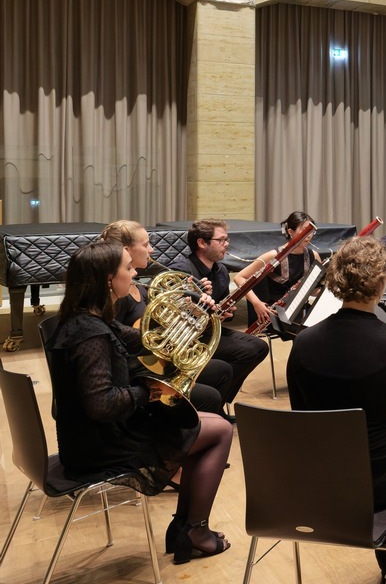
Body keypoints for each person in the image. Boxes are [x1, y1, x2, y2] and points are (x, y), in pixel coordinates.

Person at [49, 242, 233, 564]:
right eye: (128, 268)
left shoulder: (87, 318)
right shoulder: (91, 334)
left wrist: (191, 316)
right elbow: (102, 404)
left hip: (91, 434)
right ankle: (194, 530)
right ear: (109, 279)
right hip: (100, 445)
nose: (135, 273)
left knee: (203, 421)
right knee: (219, 431)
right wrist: (146, 393)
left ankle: (186, 528)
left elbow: (143, 340)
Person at [287, 236, 386, 577]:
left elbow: (300, 418)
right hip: (381, 479)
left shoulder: (302, 343)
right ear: (381, 283)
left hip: (320, 480)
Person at [100, 220, 232, 418]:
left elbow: (157, 323)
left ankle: (206, 423)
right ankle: (193, 431)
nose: (151, 250)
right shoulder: (119, 295)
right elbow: (117, 342)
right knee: (210, 396)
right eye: (145, 245)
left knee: (222, 370)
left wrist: (193, 309)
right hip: (140, 372)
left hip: (155, 360)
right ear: (126, 250)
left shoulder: (138, 287)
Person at [171, 219, 269, 403]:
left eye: (227, 240)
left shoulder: (221, 270)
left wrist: (226, 313)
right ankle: (211, 400)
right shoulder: (182, 269)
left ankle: (219, 399)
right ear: (201, 243)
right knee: (244, 353)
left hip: (210, 330)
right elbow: (175, 313)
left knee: (259, 347)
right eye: (221, 240)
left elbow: (220, 311)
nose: (227, 245)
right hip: (188, 337)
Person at [237, 212, 323, 323]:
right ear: (290, 232)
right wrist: (256, 303)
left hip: (299, 309)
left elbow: (313, 292)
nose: (309, 235)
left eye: (311, 231)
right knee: (309, 330)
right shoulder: (273, 256)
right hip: (275, 313)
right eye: (304, 230)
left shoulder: (314, 255)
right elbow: (239, 277)